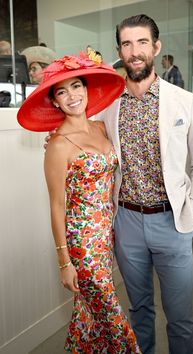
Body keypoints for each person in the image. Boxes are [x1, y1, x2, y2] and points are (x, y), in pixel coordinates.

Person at [45, 14, 193, 354]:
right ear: (120, 50)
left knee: (180, 317)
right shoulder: (107, 107)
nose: (134, 51)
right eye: (126, 44)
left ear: (156, 47)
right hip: (127, 224)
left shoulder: (185, 101)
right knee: (139, 312)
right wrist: (57, 141)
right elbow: (83, 137)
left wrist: (192, 210)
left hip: (173, 222)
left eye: (142, 42)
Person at [17, 51, 141, 353]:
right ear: (55, 101)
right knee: (111, 316)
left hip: (106, 237)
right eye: (62, 91)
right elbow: (57, 206)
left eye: (76, 86)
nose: (71, 96)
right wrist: (64, 263)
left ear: (86, 89)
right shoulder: (58, 146)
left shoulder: (101, 128)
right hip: (81, 246)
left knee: (88, 316)